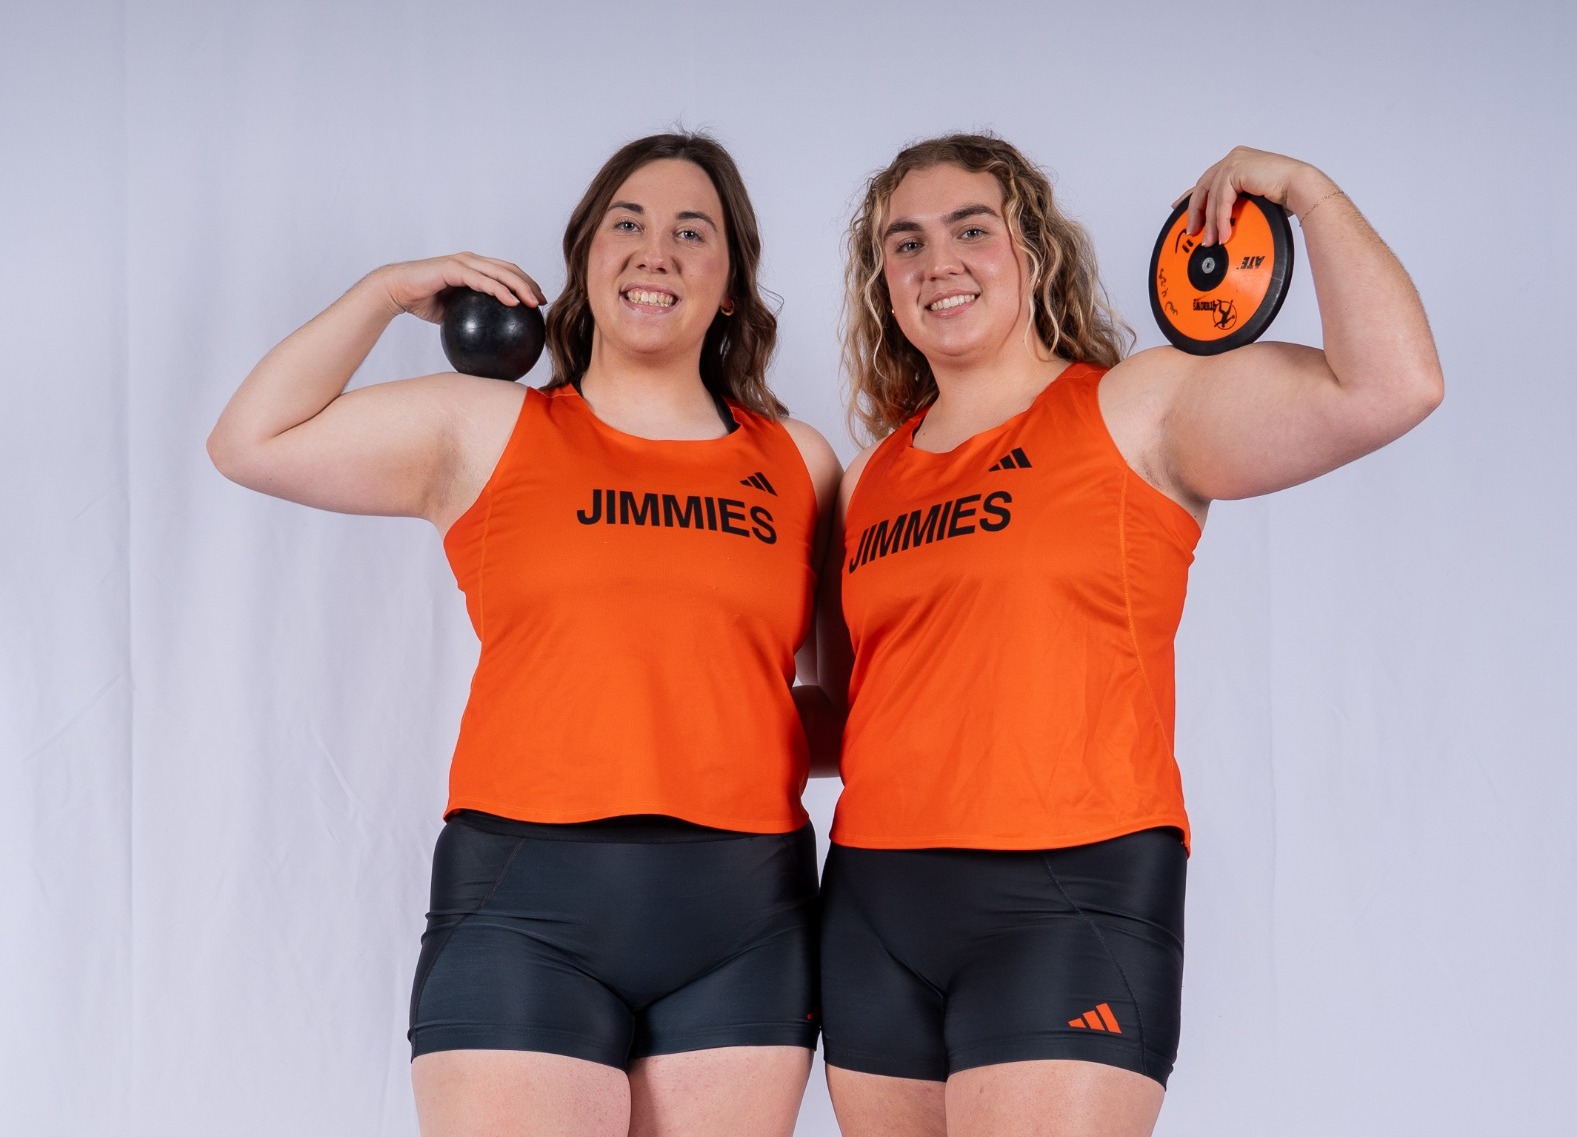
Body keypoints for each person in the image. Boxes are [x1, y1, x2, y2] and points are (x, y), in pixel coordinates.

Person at [207, 132, 841, 1137]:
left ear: (730, 286)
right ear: (585, 259)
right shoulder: (486, 429)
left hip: (745, 912)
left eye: (693, 232)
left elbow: (835, 704)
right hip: (526, 902)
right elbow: (250, 441)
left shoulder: (799, 464)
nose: (655, 250)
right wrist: (381, 292)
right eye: (626, 224)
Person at [816, 136, 1443, 1137]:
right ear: (881, 282)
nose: (937, 260)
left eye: (971, 230)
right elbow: (846, 711)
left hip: (1066, 891)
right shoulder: (866, 480)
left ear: (1032, 252)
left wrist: (1307, 194)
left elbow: (1389, 386)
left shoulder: (1134, 409)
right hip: (873, 904)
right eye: (904, 243)